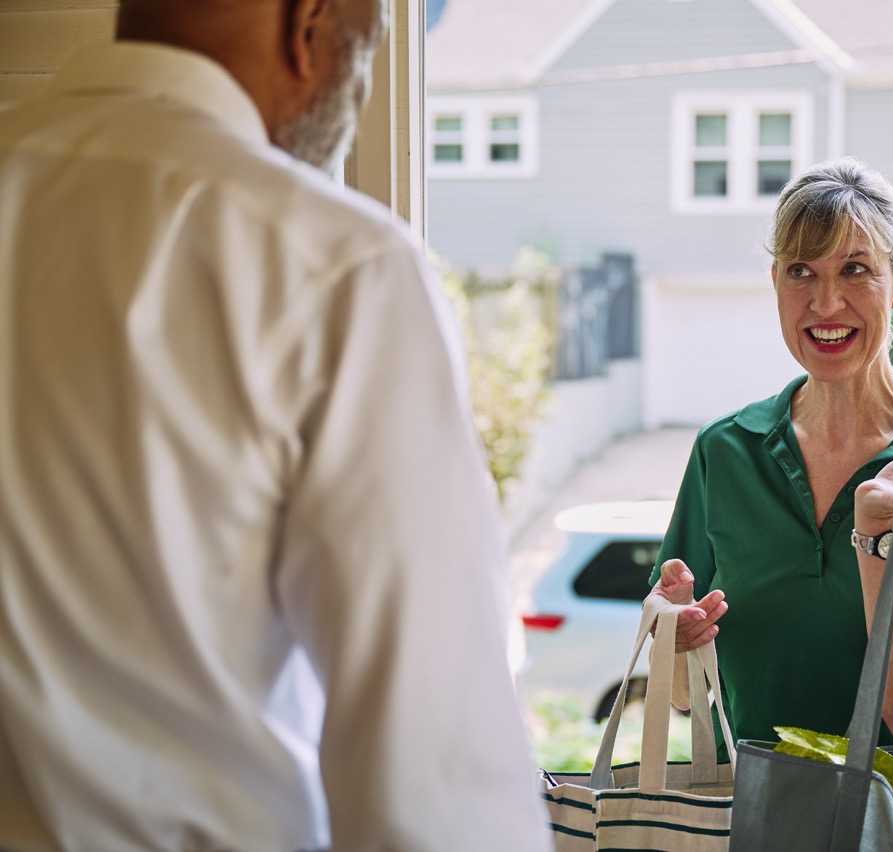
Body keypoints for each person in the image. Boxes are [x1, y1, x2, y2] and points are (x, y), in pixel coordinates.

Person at [0, 1, 550, 849]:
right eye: (366, 54)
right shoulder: (334, 266)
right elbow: (435, 791)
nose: (361, 88)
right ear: (311, 26)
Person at [648, 157, 893, 762]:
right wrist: (680, 641)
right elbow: (688, 697)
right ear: (775, 283)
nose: (825, 303)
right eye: (801, 271)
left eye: (854, 270)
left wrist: (876, 536)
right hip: (752, 812)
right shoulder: (725, 450)